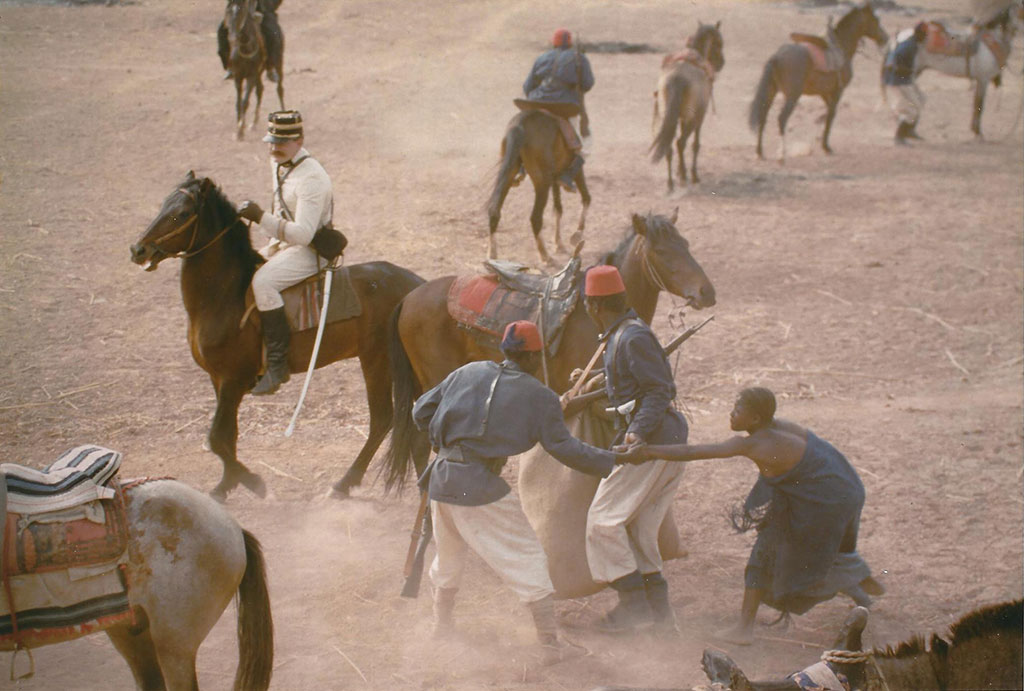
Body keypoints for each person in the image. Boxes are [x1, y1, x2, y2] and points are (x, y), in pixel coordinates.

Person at [412, 320, 643, 664]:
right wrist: (613, 459)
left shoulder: (469, 371)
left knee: (448, 557)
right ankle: (550, 645)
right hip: (478, 486)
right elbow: (565, 449)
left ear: (504, 350)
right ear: (536, 357)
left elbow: (421, 412)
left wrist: (447, 440)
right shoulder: (540, 396)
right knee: (529, 558)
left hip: (441, 480)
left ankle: (440, 627)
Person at [627, 387, 884, 645]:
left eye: (737, 411)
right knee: (826, 548)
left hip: (826, 501)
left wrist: (647, 451)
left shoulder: (755, 443)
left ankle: (744, 628)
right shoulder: (781, 427)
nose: (731, 414)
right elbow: (825, 455)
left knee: (764, 556)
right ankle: (858, 585)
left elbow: (696, 451)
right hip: (846, 488)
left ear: (755, 419)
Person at [580, 265, 689, 634]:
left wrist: (636, 434)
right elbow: (633, 382)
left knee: (603, 522)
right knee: (641, 530)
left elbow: (660, 390)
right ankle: (661, 620)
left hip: (654, 442)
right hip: (664, 440)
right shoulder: (622, 336)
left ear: (592, 304)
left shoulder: (631, 338)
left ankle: (634, 607)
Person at [238, 110, 334, 395]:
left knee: (264, 282)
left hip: (311, 250)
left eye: (283, 141)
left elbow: (303, 234)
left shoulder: (311, 178)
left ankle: (277, 366)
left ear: (300, 140)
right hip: (284, 245)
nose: (274, 147)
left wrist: (261, 218)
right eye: (271, 140)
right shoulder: (279, 163)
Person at [519, 28, 595, 192]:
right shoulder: (579, 57)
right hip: (563, 105)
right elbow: (588, 84)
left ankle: (520, 167)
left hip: (536, 102)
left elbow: (527, 86)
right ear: (570, 43)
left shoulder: (541, 57)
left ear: (553, 42)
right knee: (586, 142)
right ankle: (567, 175)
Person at [883, 22, 928, 144]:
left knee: (921, 100)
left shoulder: (912, 43)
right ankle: (899, 137)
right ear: (919, 34)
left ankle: (909, 131)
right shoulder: (909, 45)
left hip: (905, 79)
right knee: (912, 110)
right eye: (924, 35)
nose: (925, 38)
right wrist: (904, 70)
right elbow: (896, 58)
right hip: (898, 80)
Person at [218, 0, 283, 83]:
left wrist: (268, 6)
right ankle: (229, 65)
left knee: (272, 33)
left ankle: (270, 67)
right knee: (221, 31)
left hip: (260, 9)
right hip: (238, 9)